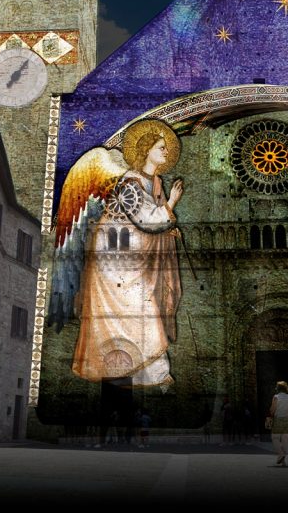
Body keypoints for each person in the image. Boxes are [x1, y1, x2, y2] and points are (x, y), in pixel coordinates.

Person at [62, 119, 185, 387]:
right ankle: (141, 372)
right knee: (141, 307)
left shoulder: (154, 183)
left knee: (142, 308)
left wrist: (167, 230)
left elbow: (154, 224)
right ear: (147, 151)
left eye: (165, 148)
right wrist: (172, 204)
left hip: (132, 256)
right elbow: (146, 220)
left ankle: (151, 373)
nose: (165, 152)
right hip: (115, 258)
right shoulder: (130, 183)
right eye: (160, 147)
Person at [269, 380, 288, 467]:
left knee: (275, 437)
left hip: (279, 419)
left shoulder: (276, 397)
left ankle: (280, 454)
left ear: (278, 388)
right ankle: (283, 460)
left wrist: (270, 412)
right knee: (286, 439)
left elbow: (273, 409)